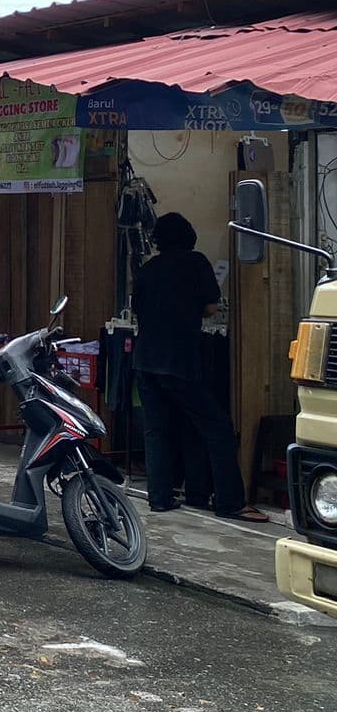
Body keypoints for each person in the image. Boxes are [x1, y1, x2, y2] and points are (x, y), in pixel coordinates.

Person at [133, 212, 268, 521]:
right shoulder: (196, 263)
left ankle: (161, 498)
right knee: (217, 428)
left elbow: (140, 308)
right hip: (179, 360)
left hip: (145, 360)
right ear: (189, 235)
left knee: (157, 430)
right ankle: (230, 502)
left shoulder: (148, 269)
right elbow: (210, 307)